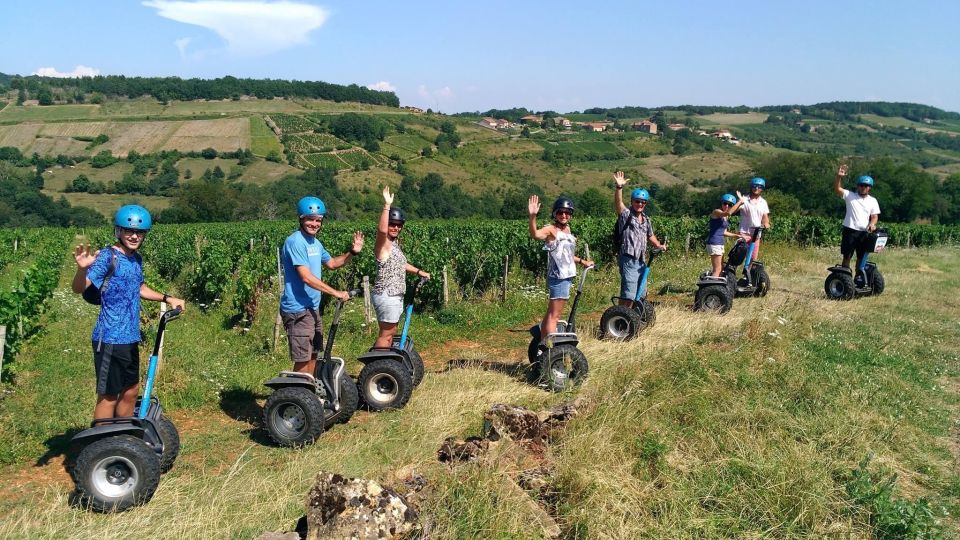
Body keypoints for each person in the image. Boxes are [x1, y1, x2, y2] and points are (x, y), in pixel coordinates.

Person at [71, 205, 186, 420]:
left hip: (131, 336)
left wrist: (167, 298)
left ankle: (123, 438)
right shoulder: (108, 256)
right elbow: (79, 288)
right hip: (110, 337)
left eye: (139, 232)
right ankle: (102, 444)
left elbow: (140, 288)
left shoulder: (136, 259)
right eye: (128, 231)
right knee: (108, 396)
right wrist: (82, 269)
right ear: (118, 231)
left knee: (131, 391)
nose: (134, 236)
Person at [280, 196, 364, 376]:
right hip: (297, 309)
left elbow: (332, 263)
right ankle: (298, 398)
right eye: (310, 219)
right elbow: (306, 277)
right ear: (301, 219)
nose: (314, 224)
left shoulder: (315, 243)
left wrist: (352, 252)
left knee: (313, 354)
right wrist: (335, 292)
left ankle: (308, 394)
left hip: (311, 308)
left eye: (318, 220)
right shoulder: (295, 242)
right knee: (302, 358)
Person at [372, 186, 430, 349]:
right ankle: (378, 368)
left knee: (390, 334)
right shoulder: (382, 245)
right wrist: (386, 206)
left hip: (395, 295)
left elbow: (400, 265)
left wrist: (419, 272)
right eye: (392, 224)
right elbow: (382, 231)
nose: (396, 228)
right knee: (386, 334)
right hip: (387, 294)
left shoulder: (394, 245)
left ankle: (384, 366)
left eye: (399, 225)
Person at [528, 194, 594, 339]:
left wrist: (583, 262)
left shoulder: (567, 230)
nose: (564, 215)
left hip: (567, 276)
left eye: (567, 212)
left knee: (552, 313)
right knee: (554, 315)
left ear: (571, 214)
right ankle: (549, 349)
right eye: (560, 212)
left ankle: (543, 343)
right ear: (555, 213)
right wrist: (533, 216)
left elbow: (567, 255)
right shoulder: (551, 230)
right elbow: (535, 234)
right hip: (558, 277)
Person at [612, 171, 667, 307]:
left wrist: (658, 245)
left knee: (640, 292)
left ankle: (634, 317)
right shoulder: (626, 215)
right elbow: (619, 204)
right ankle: (622, 316)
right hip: (628, 258)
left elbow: (650, 235)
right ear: (632, 201)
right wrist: (619, 188)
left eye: (643, 202)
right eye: (637, 201)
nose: (640, 204)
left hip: (641, 260)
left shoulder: (646, 220)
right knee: (629, 293)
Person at [833, 164, 880, 268]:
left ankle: (858, 279)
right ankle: (845, 278)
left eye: (866, 186)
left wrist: (872, 224)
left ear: (869, 188)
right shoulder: (850, 195)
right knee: (847, 256)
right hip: (850, 230)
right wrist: (839, 177)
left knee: (861, 257)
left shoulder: (873, 200)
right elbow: (837, 189)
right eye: (861, 185)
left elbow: (874, 216)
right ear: (858, 186)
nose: (863, 187)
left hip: (864, 232)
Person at [707, 192, 746, 277]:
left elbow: (723, 232)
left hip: (719, 243)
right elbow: (728, 213)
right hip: (714, 243)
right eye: (725, 203)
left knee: (721, 268)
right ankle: (712, 288)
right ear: (721, 203)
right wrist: (739, 202)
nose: (727, 206)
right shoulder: (717, 212)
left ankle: (716, 287)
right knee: (717, 270)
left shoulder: (725, 217)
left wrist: (735, 235)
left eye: (730, 205)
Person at [738, 177, 770, 258]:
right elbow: (733, 211)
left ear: (762, 189)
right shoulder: (744, 199)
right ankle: (731, 270)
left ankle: (747, 270)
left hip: (756, 234)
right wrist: (739, 202)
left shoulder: (763, 202)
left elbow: (765, 216)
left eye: (760, 187)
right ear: (751, 186)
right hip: (744, 232)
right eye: (755, 186)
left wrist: (766, 223)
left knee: (753, 257)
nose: (756, 188)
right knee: (738, 255)